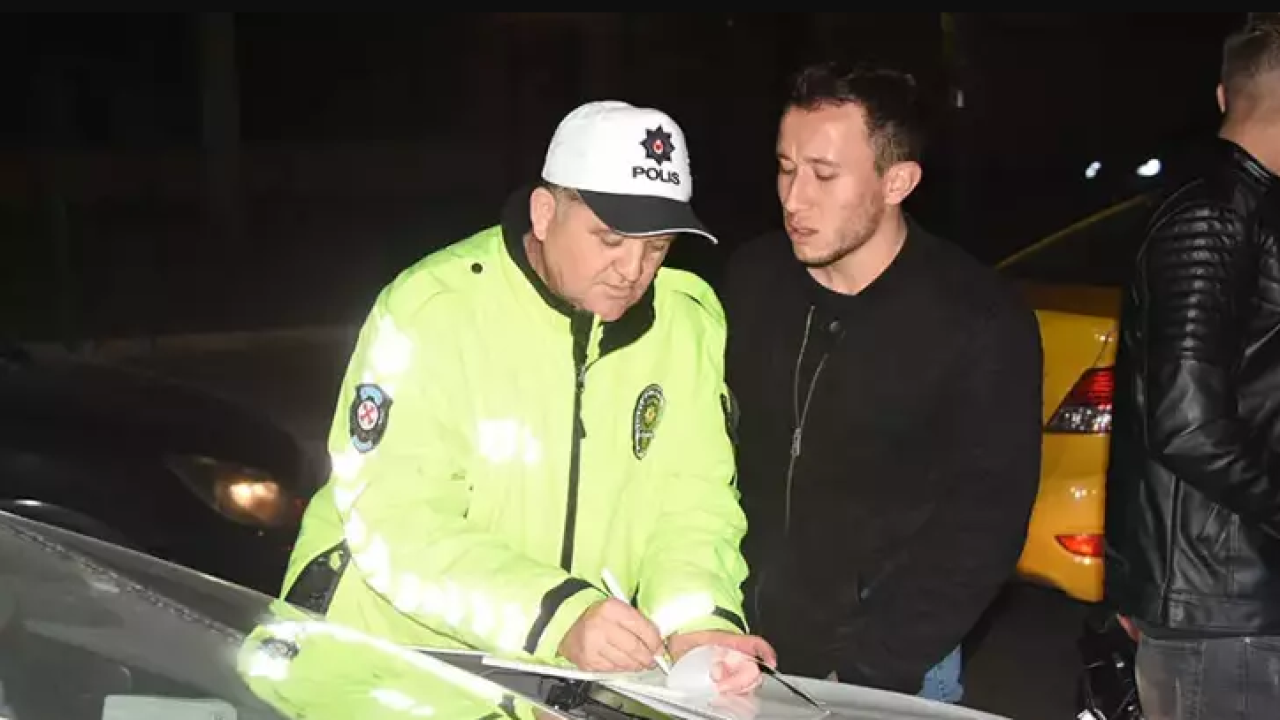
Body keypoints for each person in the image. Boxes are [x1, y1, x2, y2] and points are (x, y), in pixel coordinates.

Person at [279, 99, 774, 695]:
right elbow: (396, 523)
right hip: (378, 676)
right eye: (610, 238)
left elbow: (692, 504)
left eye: (657, 246)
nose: (633, 269)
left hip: (545, 684)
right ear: (544, 213)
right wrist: (558, 617)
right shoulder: (433, 309)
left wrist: (698, 626)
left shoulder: (686, 321)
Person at [722, 61, 1044, 701]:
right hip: (740, 650)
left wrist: (871, 667)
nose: (794, 198)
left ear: (898, 181)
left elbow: (986, 519)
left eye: (824, 174)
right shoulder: (751, 279)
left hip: (891, 674)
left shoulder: (976, 317)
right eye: (785, 168)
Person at [1104, 14, 1280, 719]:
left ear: (1222, 95)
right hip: (1218, 605)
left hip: (1234, 594)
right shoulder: (1214, 214)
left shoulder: (1244, 206)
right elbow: (1187, 424)